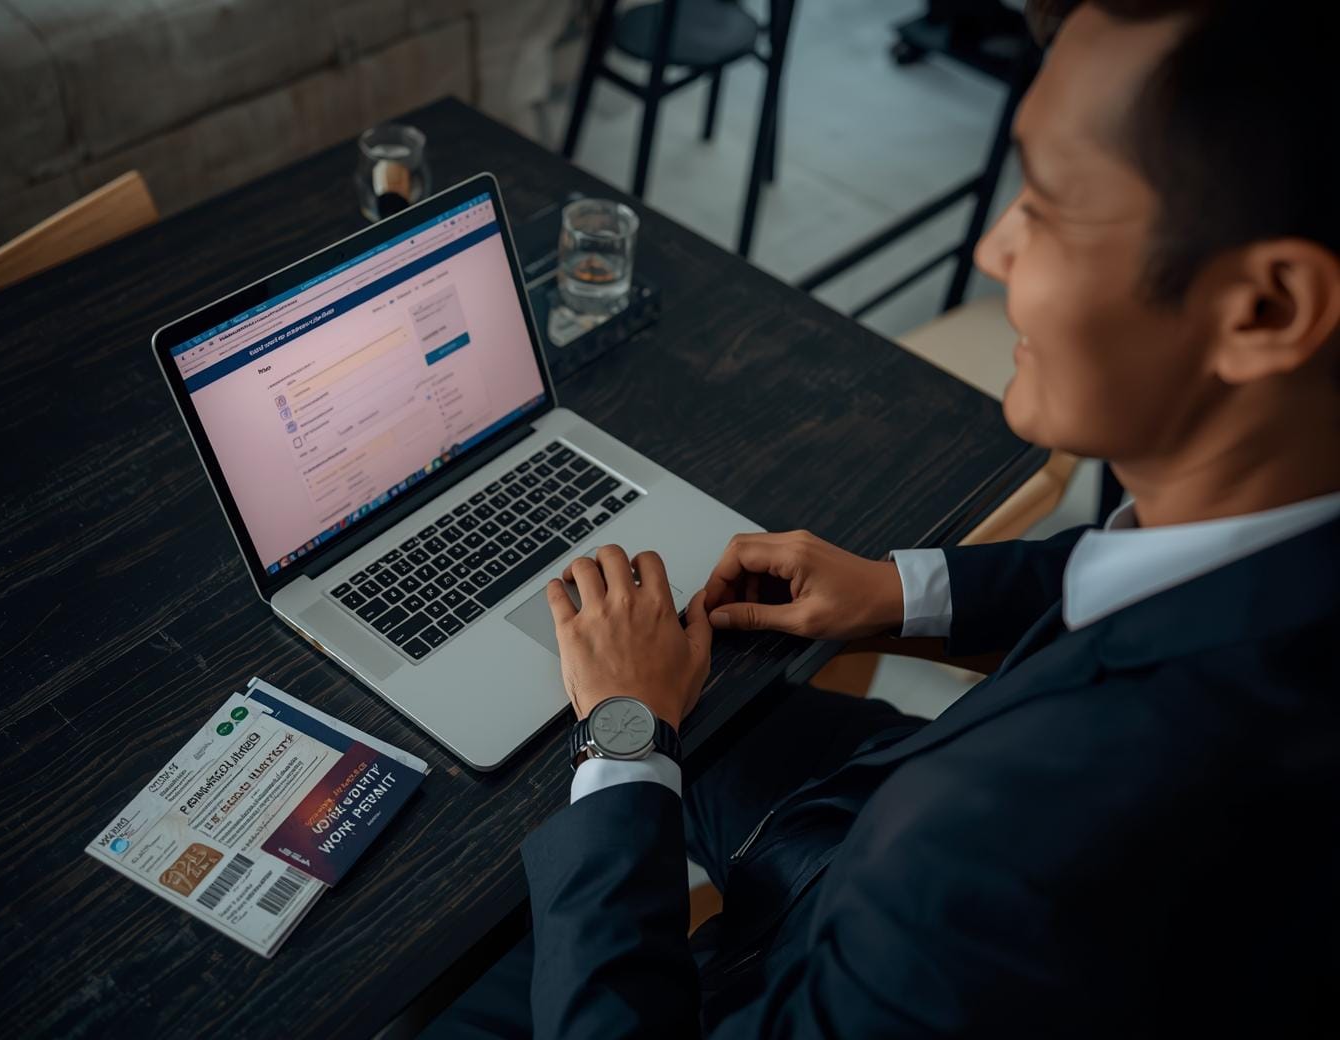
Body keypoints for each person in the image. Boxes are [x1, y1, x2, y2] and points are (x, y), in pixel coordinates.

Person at [425, 0, 1339, 1035]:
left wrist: (625, 735)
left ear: (1265, 309)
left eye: (1043, 202)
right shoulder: (1281, 535)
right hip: (858, 830)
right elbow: (1133, 578)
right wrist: (892, 592)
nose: (994, 250)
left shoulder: (1021, 855)